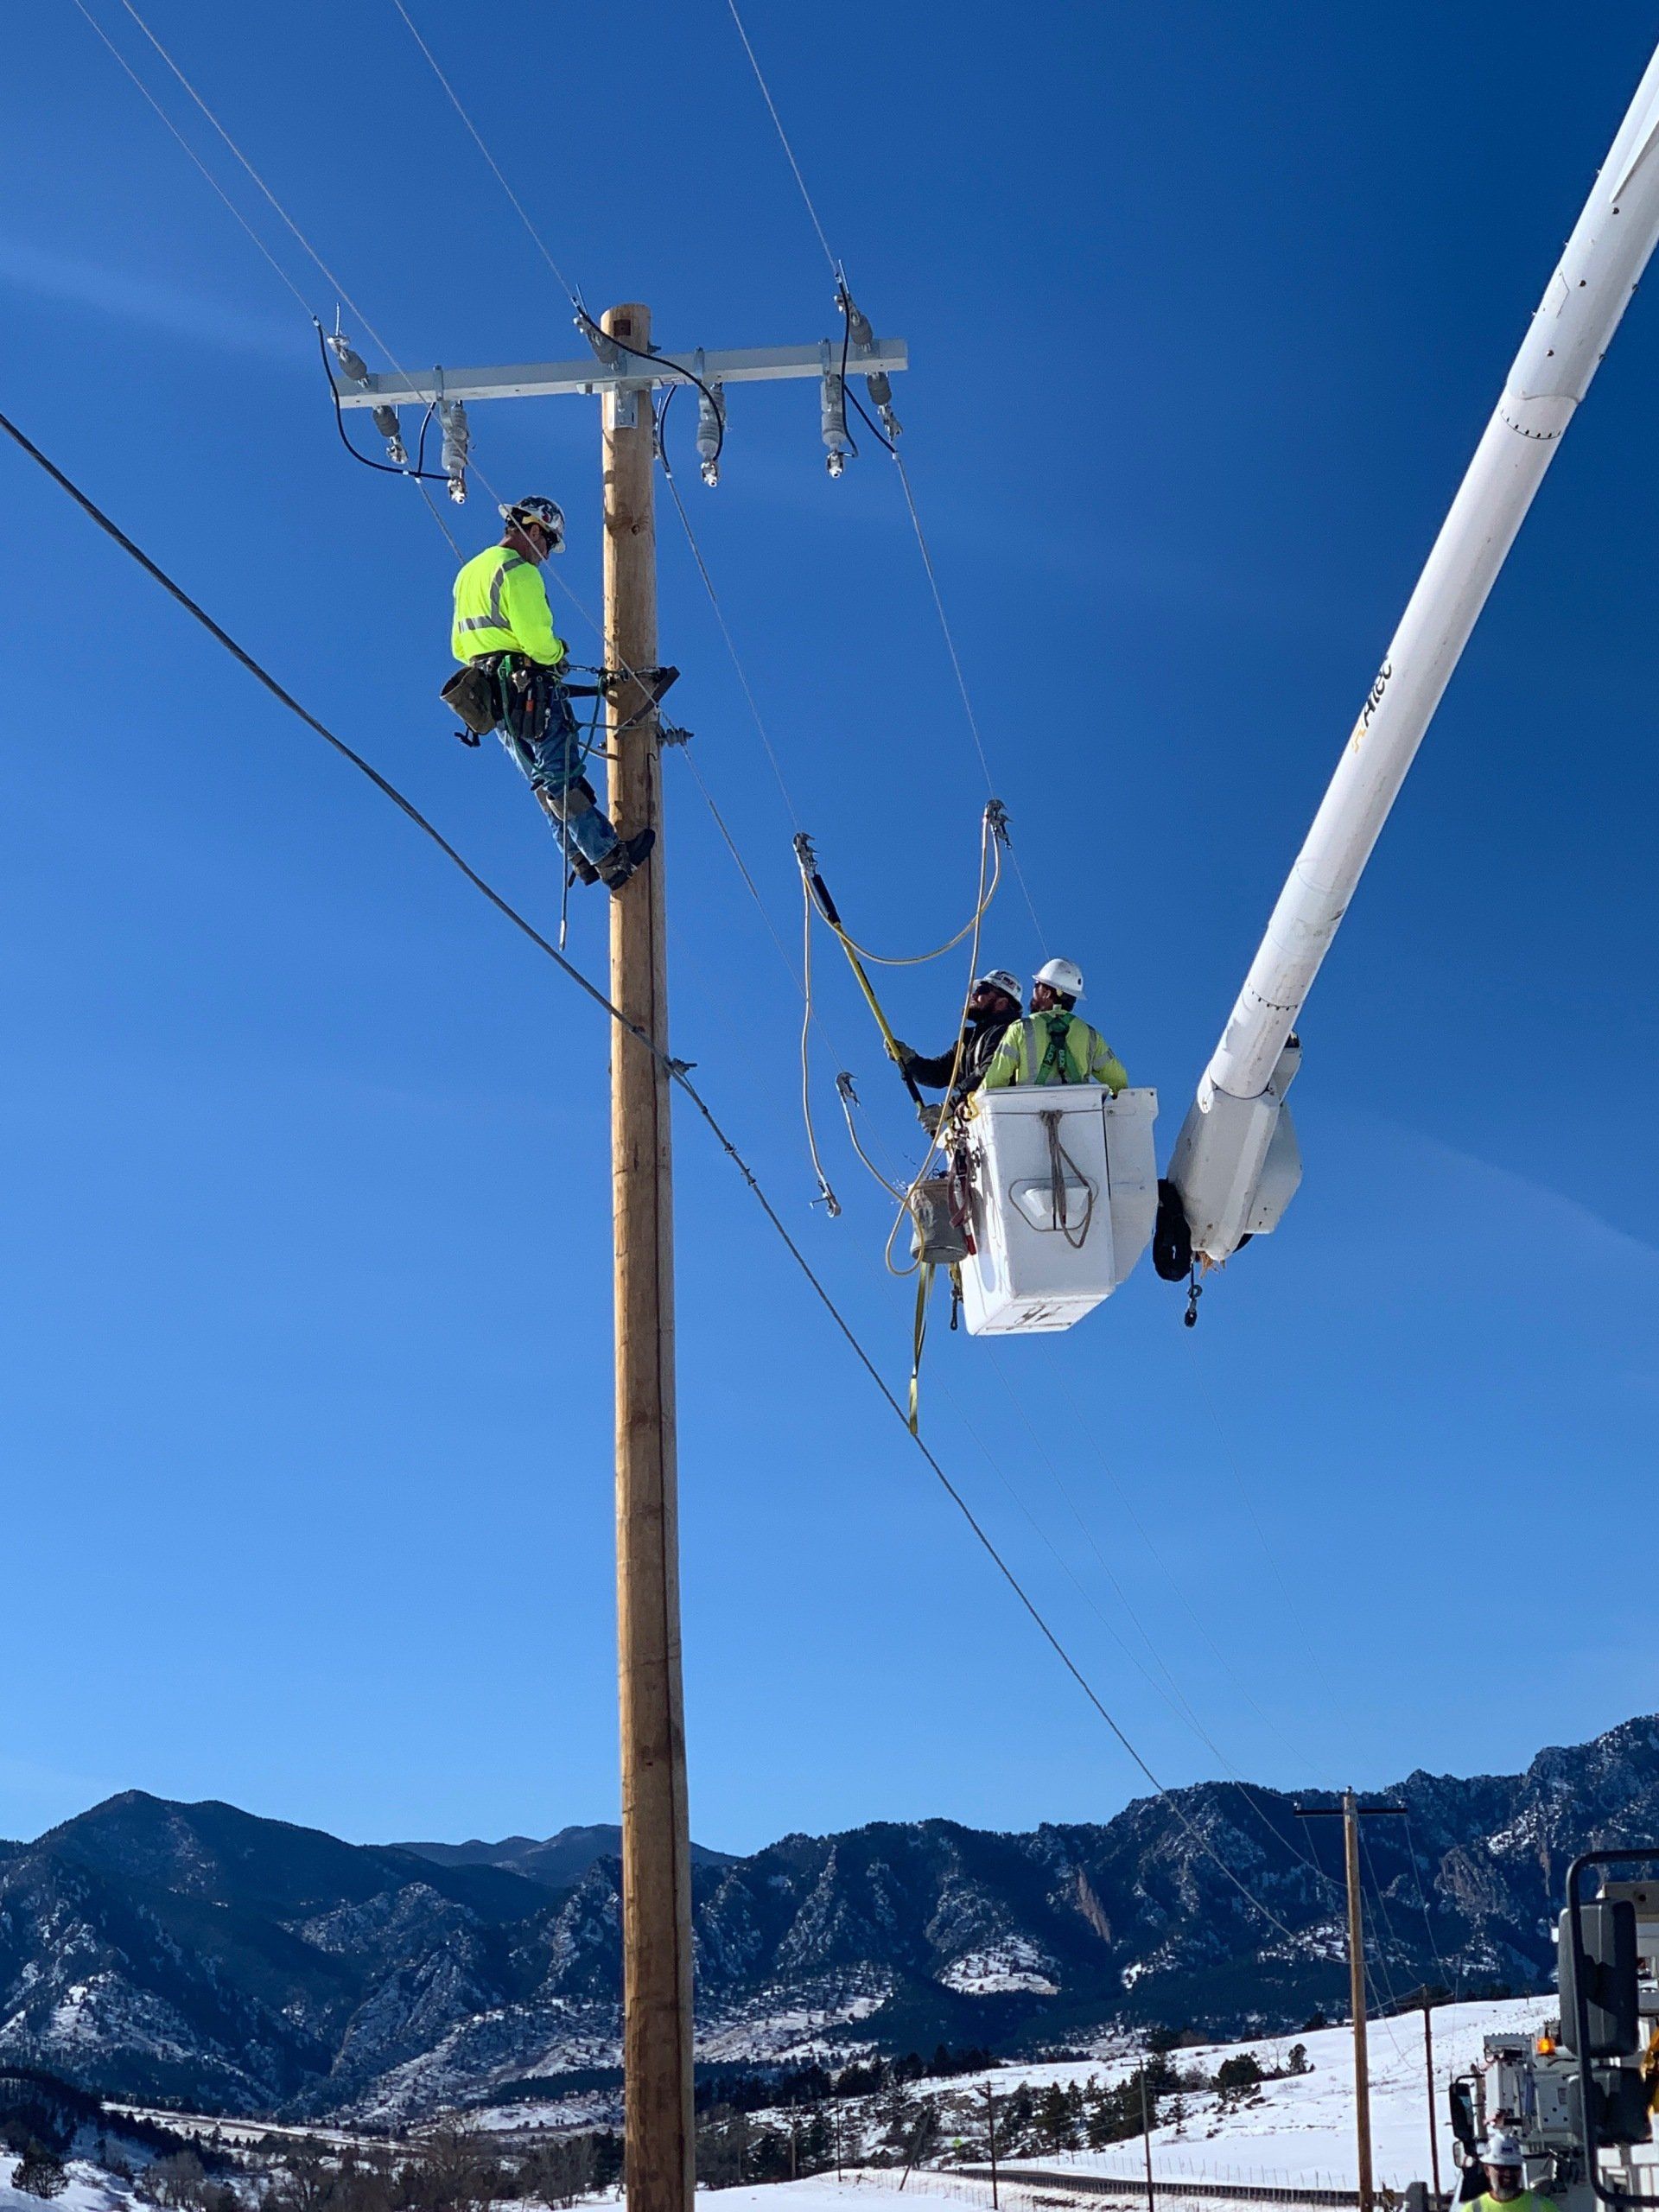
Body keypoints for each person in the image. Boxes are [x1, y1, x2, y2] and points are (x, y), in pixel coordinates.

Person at [450, 496, 654, 893]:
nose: (545, 555)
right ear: (534, 530)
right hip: (529, 690)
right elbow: (537, 641)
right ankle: (610, 859)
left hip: (493, 700)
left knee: (542, 783)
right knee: (561, 776)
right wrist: (557, 654)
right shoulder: (519, 572)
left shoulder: (469, 573)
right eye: (547, 543)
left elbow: (460, 647)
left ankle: (577, 856)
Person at [982, 957, 1128, 1091]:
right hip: (1081, 1115)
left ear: (1046, 992)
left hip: (1028, 1114)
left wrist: (971, 1104)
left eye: (1037, 985)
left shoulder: (1020, 1029)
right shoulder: (1090, 1035)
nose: (1033, 990)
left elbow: (994, 1081)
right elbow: (1118, 1081)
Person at [891, 969, 1023, 1107]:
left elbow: (990, 1073)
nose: (974, 994)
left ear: (1001, 1003)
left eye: (982, 990)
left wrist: (952, 1107)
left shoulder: (1008, 1032)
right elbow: (938, 1072)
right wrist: (910, 1059)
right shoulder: (969, 1041)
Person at [1463, 2133, 1554, 2212]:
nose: (1508, 2173)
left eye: (1513, 2167)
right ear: (1487, 2170)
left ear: (1520, 2169)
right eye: (1501, 2168)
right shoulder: (1472, 2210)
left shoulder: (1544, 2208)